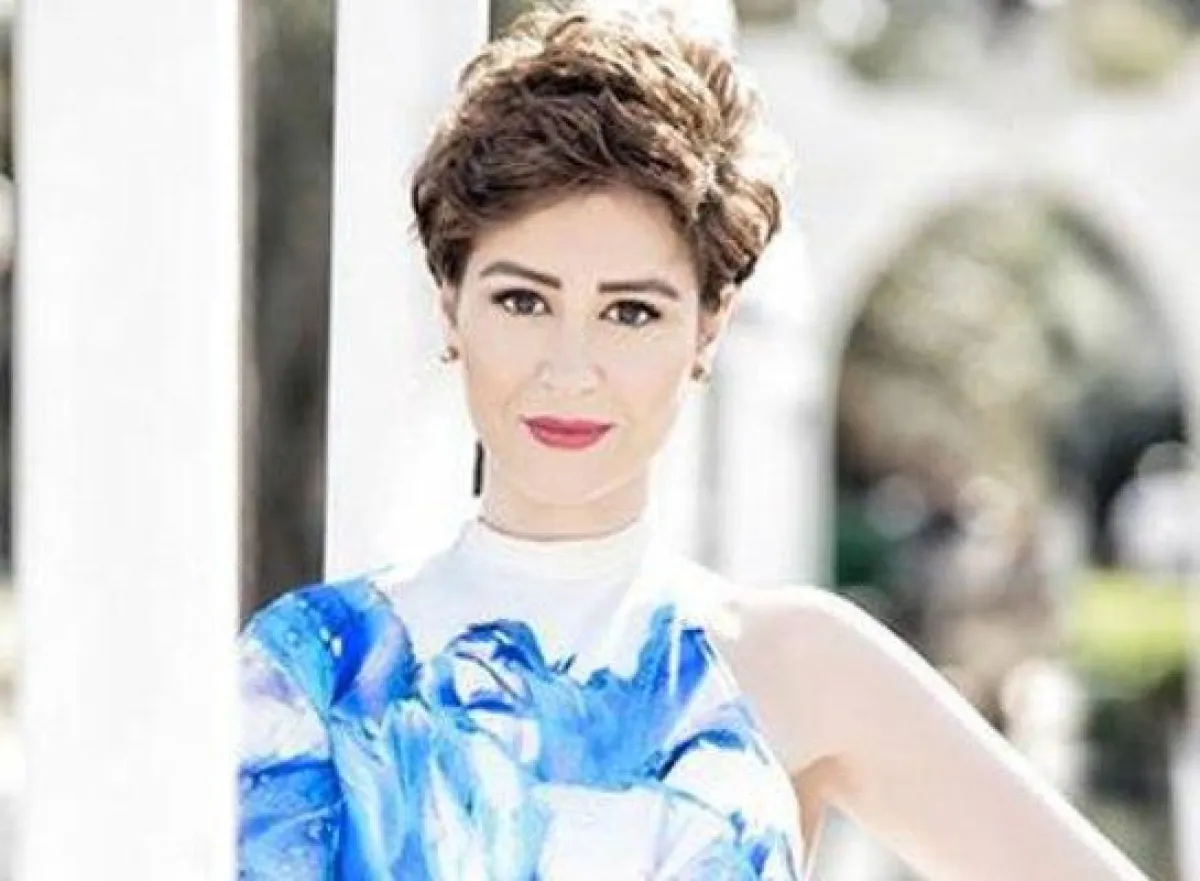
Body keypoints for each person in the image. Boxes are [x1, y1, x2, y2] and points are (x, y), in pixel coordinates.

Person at [237, 6, 1151, 879]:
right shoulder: (319, 667)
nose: (571, 368)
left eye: (631, 311)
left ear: (709, 327)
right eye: (523, 299)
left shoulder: (797, 662)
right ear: (451, 308)